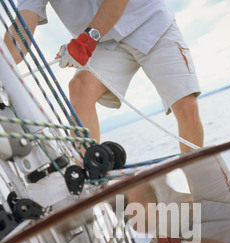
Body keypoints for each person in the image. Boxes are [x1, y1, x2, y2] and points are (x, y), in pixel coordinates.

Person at [5, 0, 204, 151]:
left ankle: (200, 190)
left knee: (187, 107)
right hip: (104, 45)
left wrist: (85, 42)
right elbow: (22, 27)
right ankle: (92, 179)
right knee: (80, 88)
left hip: (151, 24)